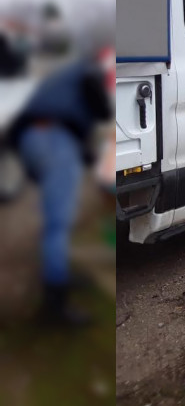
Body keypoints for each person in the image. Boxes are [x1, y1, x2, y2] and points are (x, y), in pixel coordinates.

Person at [8, 51, 112, 326]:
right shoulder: (89, 70)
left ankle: (59, 272)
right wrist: (104, 110)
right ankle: (55, 305)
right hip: (54, 139)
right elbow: (98, 106)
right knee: (58, 223)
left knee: (56, 217)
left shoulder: (64, 74)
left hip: (34, 138)